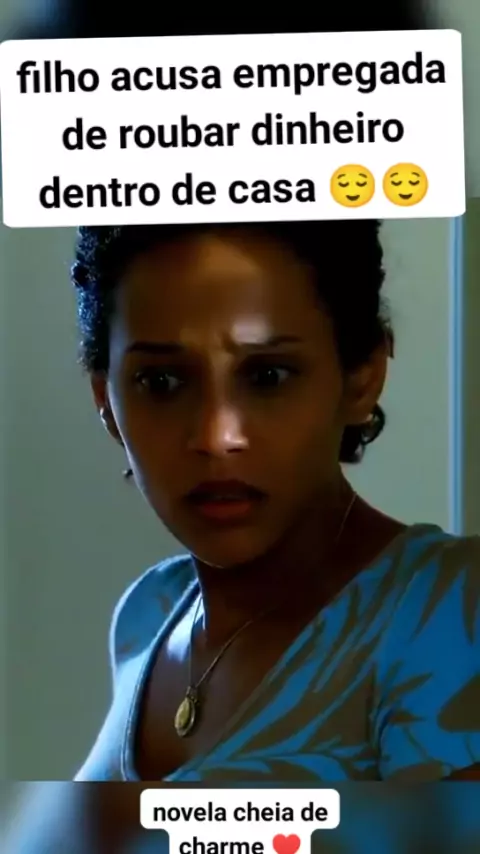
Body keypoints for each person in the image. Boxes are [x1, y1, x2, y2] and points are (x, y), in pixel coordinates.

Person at [69, 218, 480, 786]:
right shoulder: (149, 611)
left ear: (361, 377)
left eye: (267, 375)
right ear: (106, 401)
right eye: (161, 382)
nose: (217, 437)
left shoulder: (450, 609)